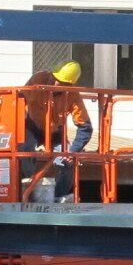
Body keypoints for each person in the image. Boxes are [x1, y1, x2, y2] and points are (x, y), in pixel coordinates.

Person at [23, 59, 92, 200]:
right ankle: (25, 193)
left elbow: (85, 127)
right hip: (31, 126)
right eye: (55, 79)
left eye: (62, 83)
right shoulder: (38, 79)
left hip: (55, 133)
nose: (56, 84)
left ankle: (59, 196)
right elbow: (18, 99)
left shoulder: (73, 96)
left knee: (68, 160)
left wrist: (73, 151)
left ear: (70, 85)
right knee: (23, 153)